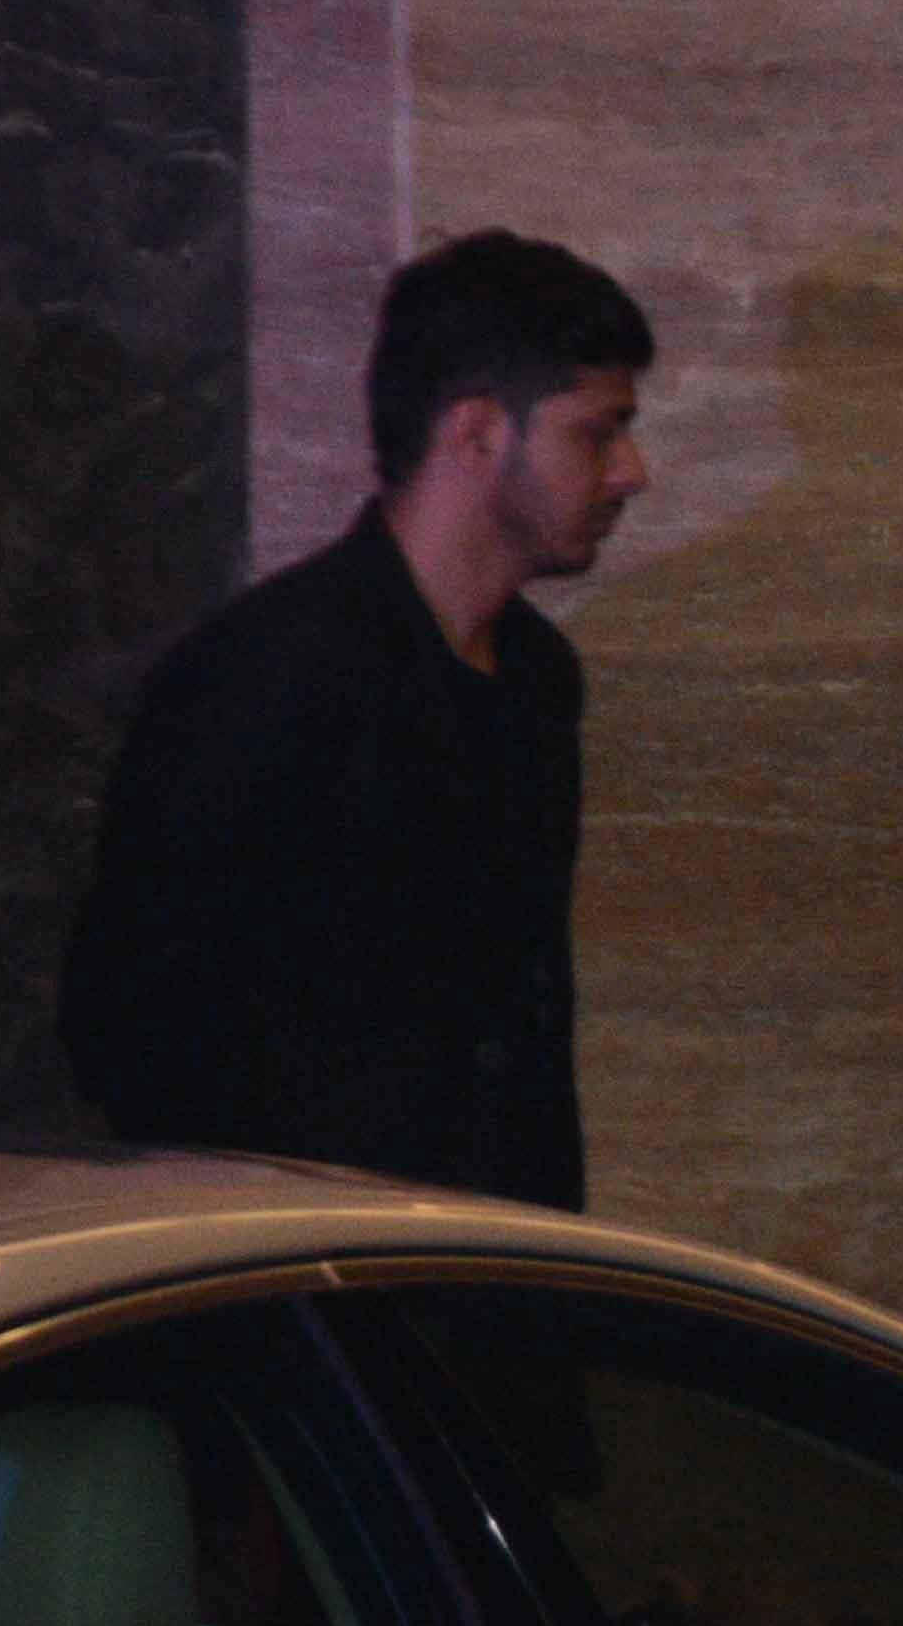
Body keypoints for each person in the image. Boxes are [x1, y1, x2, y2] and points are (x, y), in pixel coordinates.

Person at [63, 231, 650, 1205]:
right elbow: (124, 1025)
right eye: (598, 432)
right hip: (308, 1288)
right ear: (476, 434)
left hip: (490, 1277)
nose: (632, 471)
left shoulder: (540, 679)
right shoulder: (265, 673)